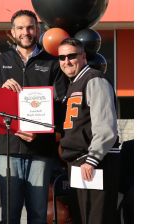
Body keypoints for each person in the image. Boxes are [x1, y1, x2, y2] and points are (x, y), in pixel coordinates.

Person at [0, 9, 68, 224]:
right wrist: (1, 90)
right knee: (10, 215)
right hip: (8, 150)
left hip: (40, 150)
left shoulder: (52, 63)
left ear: (38, 29)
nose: (26, 32)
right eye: (21, 28)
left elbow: (61, 108)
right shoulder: (0, 61)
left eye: (31, 27)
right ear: (12, 32)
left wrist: (41, 135)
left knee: (38, 214)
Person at [57, 38, 120, 224]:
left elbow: (106, 126)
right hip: (79, 163)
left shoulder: (95, 79)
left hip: (95, 163)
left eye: (71, 56)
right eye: (62, 57)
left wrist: (92, 159)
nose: (66, 61)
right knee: (82, 216)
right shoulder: (73, 83)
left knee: (96, 217)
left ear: (83, 56)